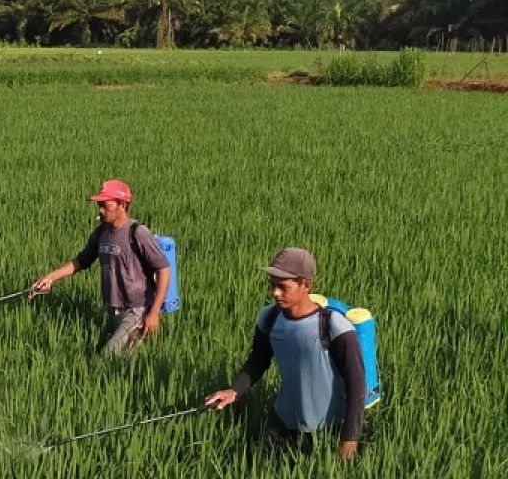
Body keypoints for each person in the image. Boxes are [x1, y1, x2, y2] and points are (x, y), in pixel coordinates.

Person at [204, 247, 365, 460]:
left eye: (283, 287)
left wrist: (349, 439)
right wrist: (234, 390)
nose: (275, 293)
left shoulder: (333, 325)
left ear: (305, 285)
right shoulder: (269, 318)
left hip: (327, 427)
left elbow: (357, 386)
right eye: (272, 285)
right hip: (282, 421)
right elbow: (258, 361)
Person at [30, 180, 171, 355]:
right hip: (113, 309)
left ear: (122, 205)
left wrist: (154, 313)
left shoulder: (137, 233)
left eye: (105, 205)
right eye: (99, 205)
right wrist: (50, 278)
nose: (100, 210)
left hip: (137, 310)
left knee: (108, 356)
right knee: (91, 350)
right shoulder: (101, 233)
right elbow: (81, 261)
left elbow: (163, 269)